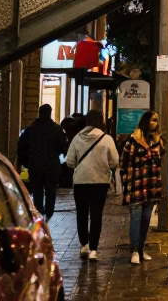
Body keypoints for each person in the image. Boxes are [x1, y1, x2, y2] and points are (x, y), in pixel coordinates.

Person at [64, 109, 119, 261]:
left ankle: (84, 246)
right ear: (100, 121)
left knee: (81, 214)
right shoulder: (107, 139)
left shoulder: (77, 138)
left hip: (81, 182)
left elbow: (70, 162)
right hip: (100, 183)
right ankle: (94, 250)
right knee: (96, 215)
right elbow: (115, 162)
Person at [120, 111, 166, 265]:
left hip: (152, 187)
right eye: (153, 120)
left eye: (157, 120)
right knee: (136, 219)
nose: (156, 123)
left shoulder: (158, 141)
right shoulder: (133, 140)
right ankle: (134, 250)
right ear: (146, 122)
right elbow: (123, 162)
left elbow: (161, 158)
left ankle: (140, 249)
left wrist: (158, 140)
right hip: (136, 187)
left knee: (146, 219)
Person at [16, 104, 67, 219]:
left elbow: (21, 148)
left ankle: (39, 210)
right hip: (52, 165)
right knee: (51, 189)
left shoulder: (30, 130)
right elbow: (63, 148)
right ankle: (49, 212)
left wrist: (25, 162)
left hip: (35, 165)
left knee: (37, 189)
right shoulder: (57, 129)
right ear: (50, 113)